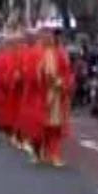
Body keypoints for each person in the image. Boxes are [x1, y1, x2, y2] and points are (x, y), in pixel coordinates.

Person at [34, 25, 74, 167]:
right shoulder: (36, 54)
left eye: (49, 36)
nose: (47, 39)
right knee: (39, 126)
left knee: (55, 127)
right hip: (40, 94)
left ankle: (54, 154)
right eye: (45, 36)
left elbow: (67, 73)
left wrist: (59, 82)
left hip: (56, 94)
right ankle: (40, 153)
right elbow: (30, 74)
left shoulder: (59, 54)